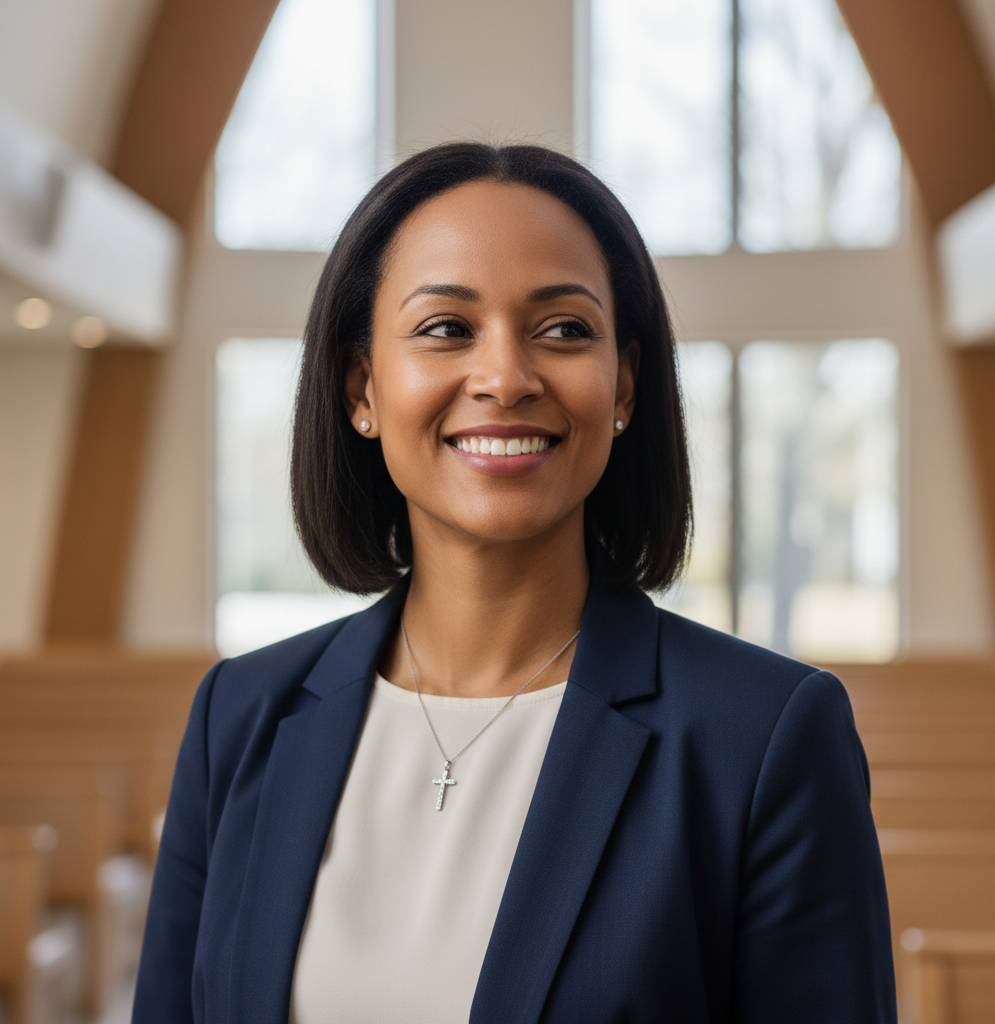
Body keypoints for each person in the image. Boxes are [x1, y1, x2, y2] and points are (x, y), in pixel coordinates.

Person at [133, 143, 896, 1024]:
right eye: (446, 329)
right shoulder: (239, 718)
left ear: (624, 386)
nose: (505, 378)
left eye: (565, 329)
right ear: (361, 388)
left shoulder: (761, 739)